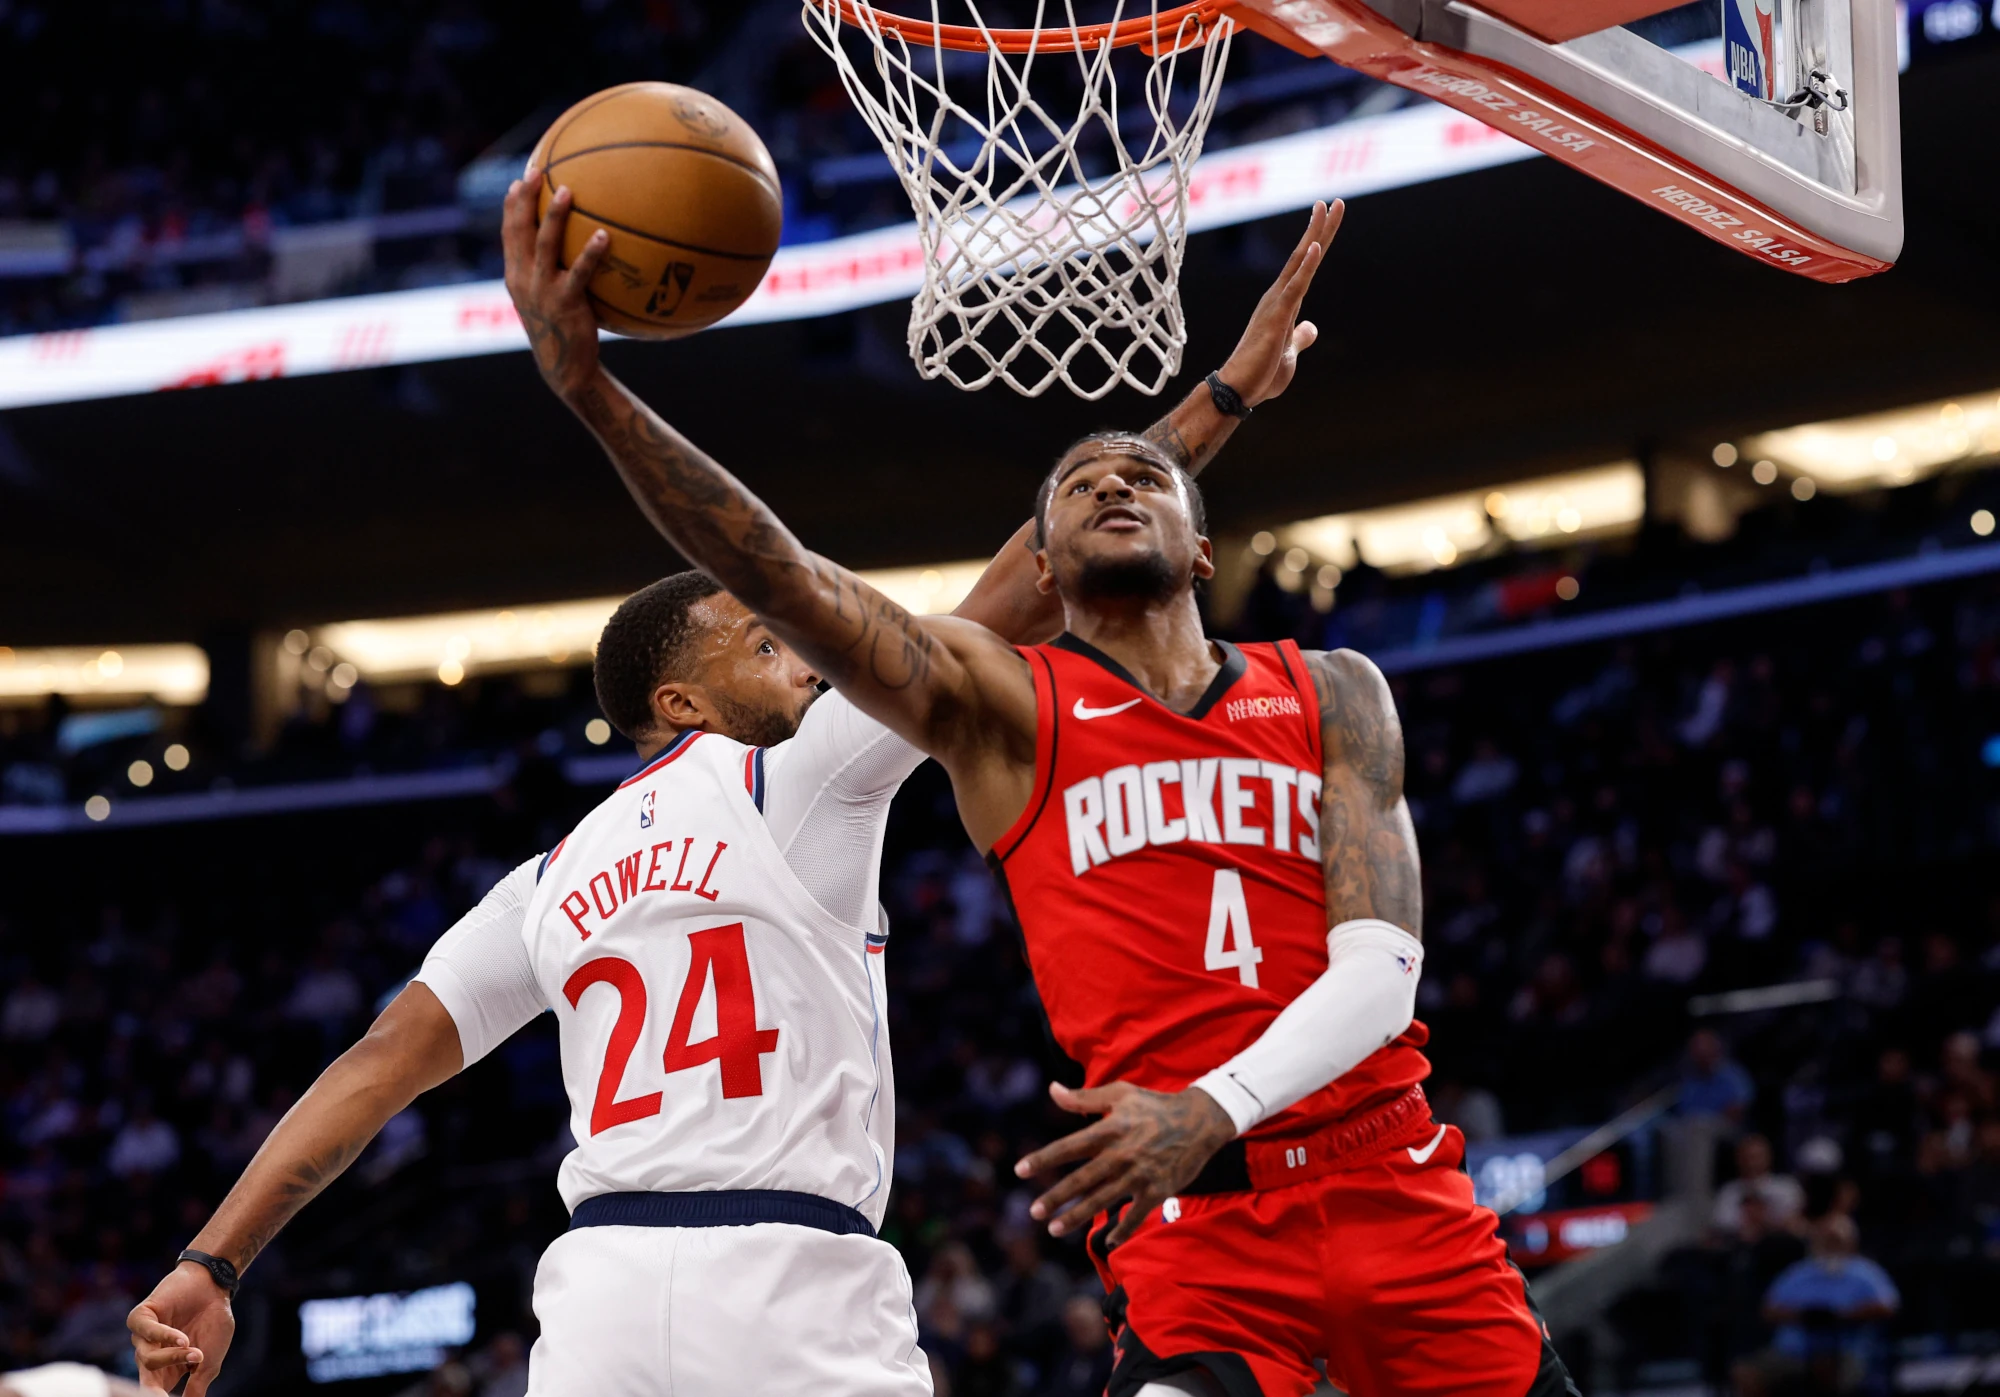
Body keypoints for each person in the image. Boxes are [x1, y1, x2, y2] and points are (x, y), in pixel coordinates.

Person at [123, 172, 1321, 1397]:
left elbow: (379, 1060)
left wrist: (212, 1262)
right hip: (790, 1284)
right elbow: (1036, 577)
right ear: (677, 706)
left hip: (597, 1306)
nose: (799, 655)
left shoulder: (545, 885)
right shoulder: (793, 775)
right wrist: (1219, 403)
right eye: (760, 642)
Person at [504, 171, 1575, 1397]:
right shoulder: (1001, 704)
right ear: (1046, 572)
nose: (1115, 481)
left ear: (1204, 543)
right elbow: (785, 574)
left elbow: (1381, 971)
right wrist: (592, 393)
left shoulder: (1334, 687)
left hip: (1390, 1180)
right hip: (1199, 1232)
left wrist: (1209, 1106)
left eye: (1144, 475)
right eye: (1077, 485)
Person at [1733, 1214, 1899, 1397]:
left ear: (1850, 1242)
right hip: (1793, 1352)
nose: (1829, 1245)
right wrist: (1803, 1316)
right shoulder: (1797, 1273)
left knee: (1824, 1369)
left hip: (1845, 1351)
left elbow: (1887, 1307)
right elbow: (1769, 1310)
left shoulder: (1865, 1272)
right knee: (1746, 1372)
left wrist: (1840, 1316)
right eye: (1825, 1240)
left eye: (1835, 1240)